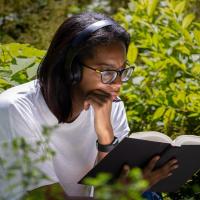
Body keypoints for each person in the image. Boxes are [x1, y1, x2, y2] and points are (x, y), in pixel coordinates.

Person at [0, 12, 178, 200]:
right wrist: (120, 195)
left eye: (122, 71)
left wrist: (106, 136)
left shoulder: (111, 105)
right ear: (72, 70)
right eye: (107, 71)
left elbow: (104, 189)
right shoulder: (14, 109)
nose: (118, 84)